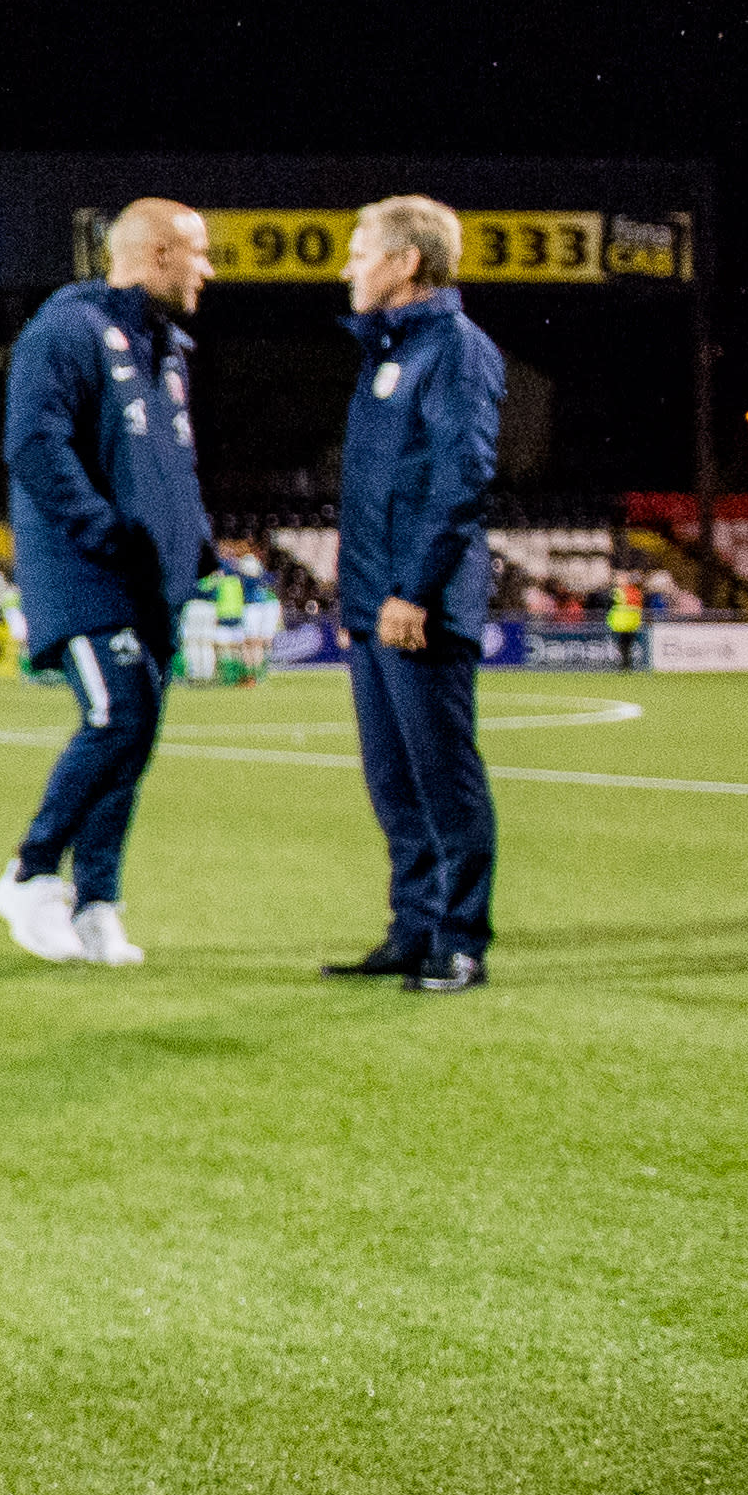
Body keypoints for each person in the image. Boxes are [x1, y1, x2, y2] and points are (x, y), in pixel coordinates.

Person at [0, 197, 213, 969]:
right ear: (157, 253)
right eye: (198, 252)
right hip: (86, 571)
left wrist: (195, 546)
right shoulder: (65, 329)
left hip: (150, 580)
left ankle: (96, 904)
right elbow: (32, 442)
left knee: (133, 736)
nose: (208, 269)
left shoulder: (166, 348)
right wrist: (100, 530)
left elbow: (168, 460)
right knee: (118, 716)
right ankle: (27, 875)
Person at [323, 195, 504, 992]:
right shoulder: (388, 352)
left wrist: (413, 591)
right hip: (375, 606)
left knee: (442, 779)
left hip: (416, 606)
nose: (347, 267)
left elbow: (460, 478)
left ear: (404, 262)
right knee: (393, 783)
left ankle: (459, 940)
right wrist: (361, 600)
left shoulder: (455, 350)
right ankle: (413, 928)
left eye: (360, 251)